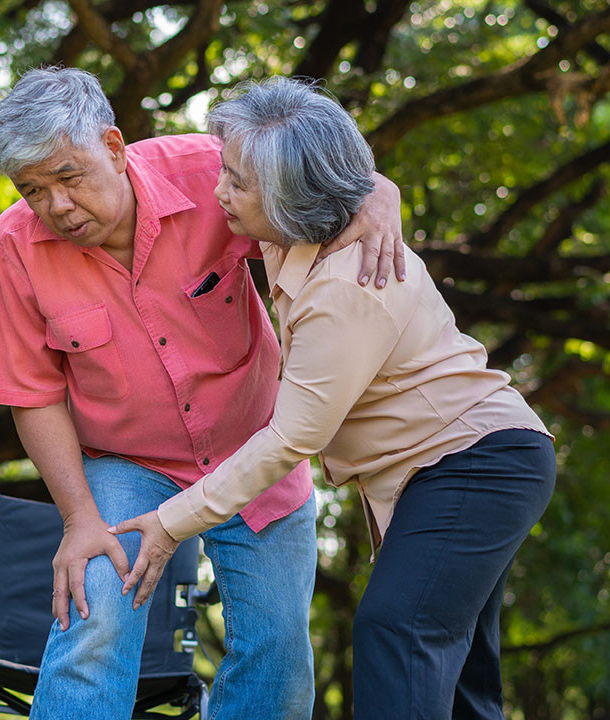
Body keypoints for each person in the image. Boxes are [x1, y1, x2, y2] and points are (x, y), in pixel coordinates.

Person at [113, 77, 556, 720]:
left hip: (476, 462)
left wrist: (168, 522)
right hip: (466, 466)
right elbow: (329, 163)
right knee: (459, 682)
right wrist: (379, 188)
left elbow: (293, 439)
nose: (218, 191)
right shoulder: (282, 231)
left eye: (237, 182)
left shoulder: (343, 287)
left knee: (396, 632)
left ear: (292, 196)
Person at [0, 67, 404, 720]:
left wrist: (379, 192)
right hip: (126, 465)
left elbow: (324, 168)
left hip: (255, 449)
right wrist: (78, 518)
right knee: (94, 616)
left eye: (69, 177)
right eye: (34, 190)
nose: (57, 206)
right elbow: (31, 393)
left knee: (278, 649)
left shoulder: (214, 170)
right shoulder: (13, 245)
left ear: (115, 147)